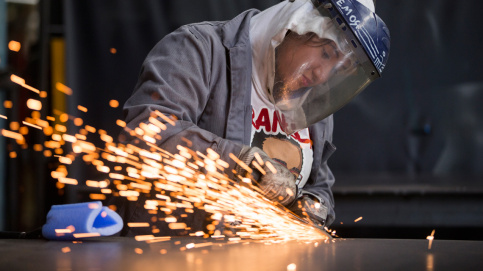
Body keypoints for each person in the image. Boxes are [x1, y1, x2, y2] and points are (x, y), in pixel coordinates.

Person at [114, 0, 390, 236]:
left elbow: (320, 185)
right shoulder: (198, 50)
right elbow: (144, 140)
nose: (321, 75)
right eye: (326, 52)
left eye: (337, 67)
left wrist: (312, 206)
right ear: (295, 23)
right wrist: (240, 163)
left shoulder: (312, 101)